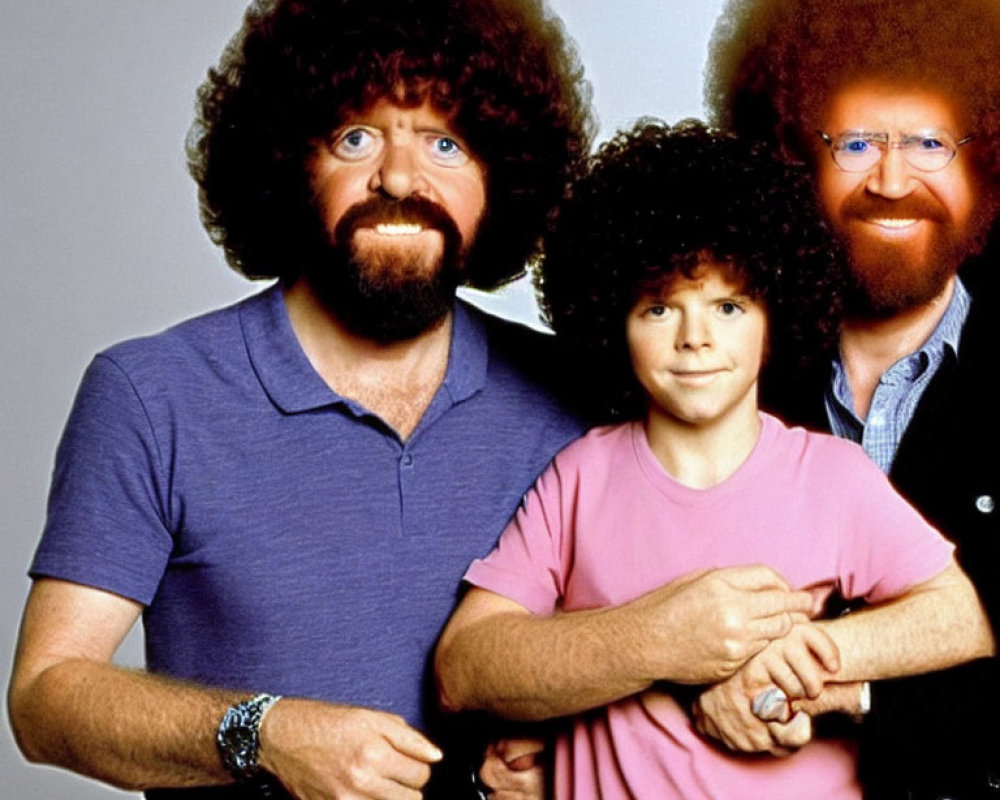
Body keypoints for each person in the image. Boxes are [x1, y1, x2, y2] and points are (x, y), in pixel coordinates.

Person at [7, 1, 596, 798]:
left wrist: (577, 752)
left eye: (445, 142)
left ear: (502, 180)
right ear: (289, 162)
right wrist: (263, 732)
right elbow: (45, 698)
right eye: (355, 137)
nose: (397, 177)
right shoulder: (153, 394)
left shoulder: (573, 394)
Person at [434, 120, 993, 799]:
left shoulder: (832, 476)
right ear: (613, 317)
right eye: (660, 308)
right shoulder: (579, 475)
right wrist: (659, 639)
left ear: (774, 317)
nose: (696, 339)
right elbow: (462, 669)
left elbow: (959, 615)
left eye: (728, 306)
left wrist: (805, 660)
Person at [702, 0, 1000, 796]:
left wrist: (850, 693)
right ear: (798, 158)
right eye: (857, 143)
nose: (893, 181)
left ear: (989, 166)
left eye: (930, 143)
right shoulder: (719, 368)